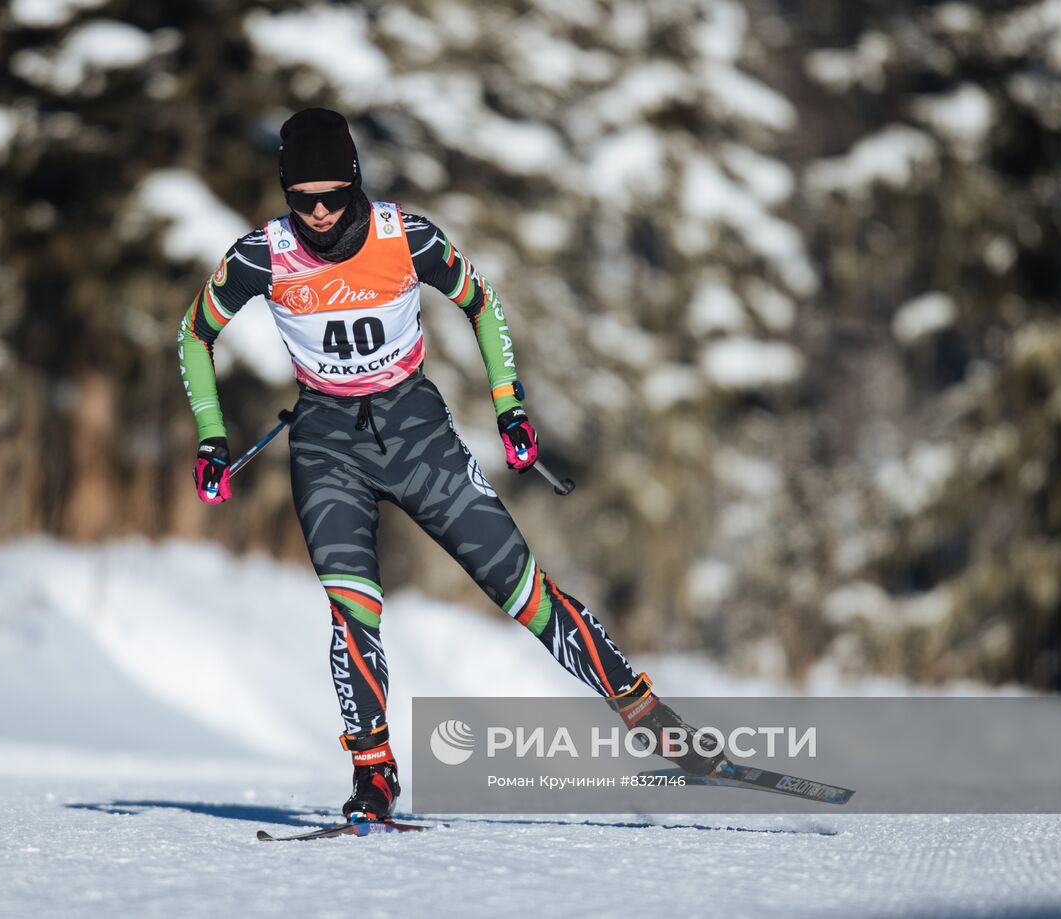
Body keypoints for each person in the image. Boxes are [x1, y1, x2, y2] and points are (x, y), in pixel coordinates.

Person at [176, 108, 720, 823]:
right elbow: (194, 335)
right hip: (325, 442)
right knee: (352, 610)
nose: (316, 212)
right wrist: (212, 438)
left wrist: (510, 407)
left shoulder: (406, 236)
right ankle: (373, 775)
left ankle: (646, 713)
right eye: (301, 197)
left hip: (417, 433)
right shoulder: (262, 254)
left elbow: (482, 303)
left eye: (332, 196)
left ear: (355, 182)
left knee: (521, 590)